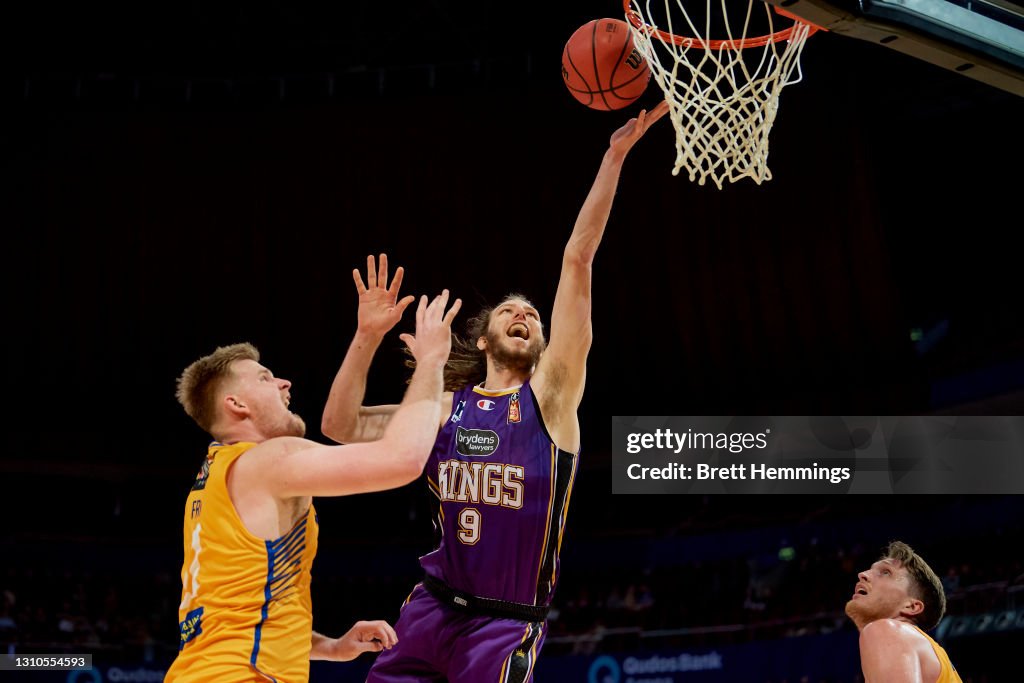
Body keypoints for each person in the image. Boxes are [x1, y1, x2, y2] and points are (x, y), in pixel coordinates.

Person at [320, 102, 669, 682]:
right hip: (429, 610)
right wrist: (364, 337)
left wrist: (613, 158)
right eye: (510, 311)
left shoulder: (551, 400)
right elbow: (340, 427)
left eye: (532, 315)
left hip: (504, 626)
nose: (524, 315)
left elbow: (578, 258)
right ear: (482, 339)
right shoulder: (440, 409)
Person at [164, 290, 462, 683]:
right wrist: (431, 362)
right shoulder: (266, 461)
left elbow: (238, 619)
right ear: (237, 405)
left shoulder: (214, 478)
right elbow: (403, 461)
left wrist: (333, 648)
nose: (284, 383)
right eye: (266, 378)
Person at [845, 541, 963, 683]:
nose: (862, 574)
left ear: (912, 606)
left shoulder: (886, 630)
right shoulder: (932, 653)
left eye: (886, 572)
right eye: (871, 569)